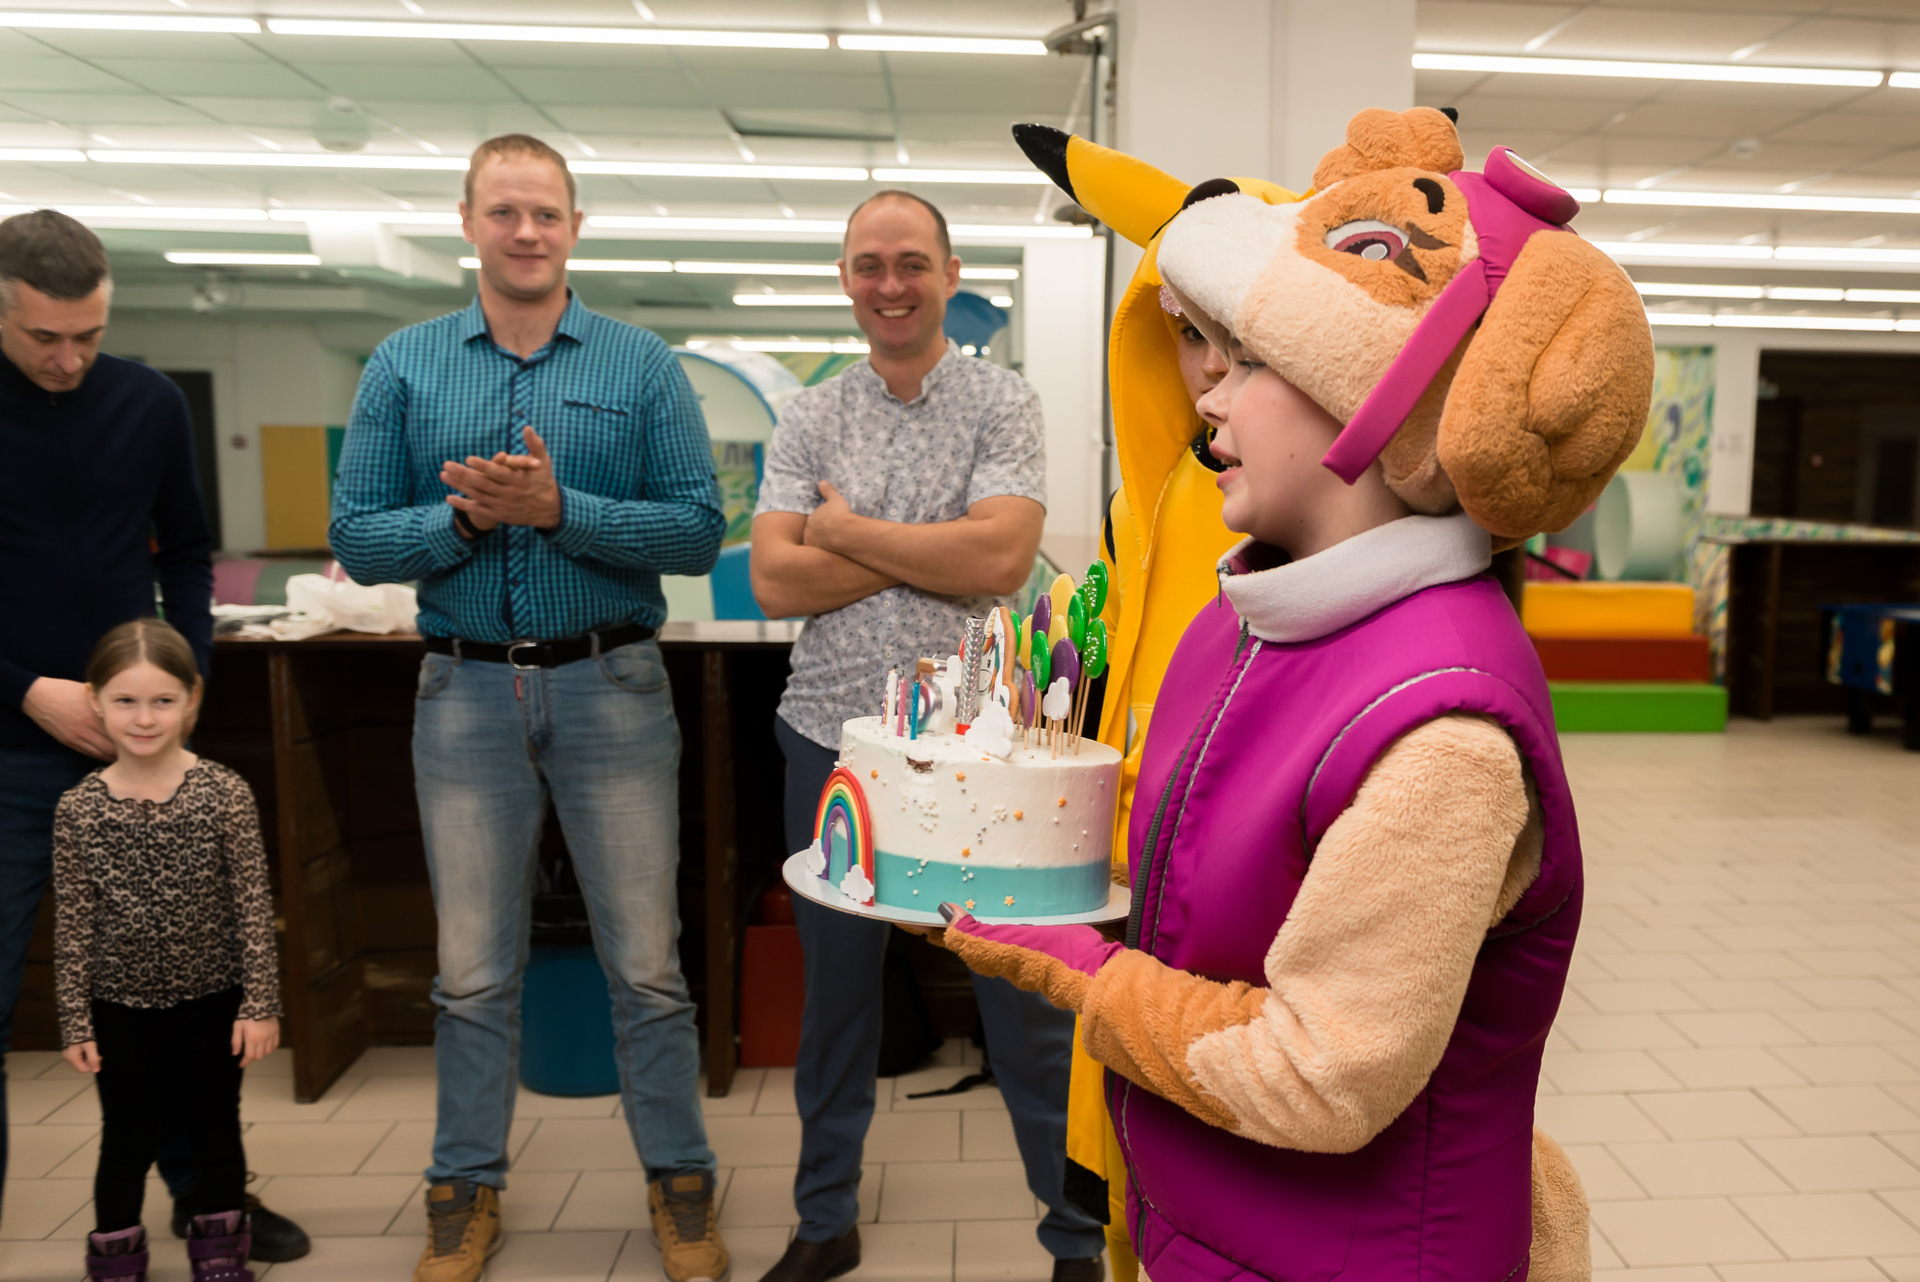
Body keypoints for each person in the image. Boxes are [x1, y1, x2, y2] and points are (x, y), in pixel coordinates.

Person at [936, 106, 1653, 1279]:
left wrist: (1086, 970)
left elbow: (1324, 1075)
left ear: (1377, 409)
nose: (1211, 396)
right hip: (1215, 1224)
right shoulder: (1240, 624)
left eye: (1255, 361)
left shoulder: (1444, 731)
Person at [329, 133, 727, 1282]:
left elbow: (699, 530)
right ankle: (464, 1190)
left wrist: (561, 510)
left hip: (612, 685)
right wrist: (462, 521)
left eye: (546, 212)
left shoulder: (642, 365)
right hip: (462, 691)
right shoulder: (404, 365)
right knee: (470, 973)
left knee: (645, 965)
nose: (525, 231)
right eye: (504, 211)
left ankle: (681, 1182)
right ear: (468, 223)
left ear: (575, 227)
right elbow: (356, 536)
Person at [749, 189, 1105, 1282]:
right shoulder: (810, 415)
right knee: (837, 1002)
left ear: (950, 275)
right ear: (846, 279)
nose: (890, 283)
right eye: (869, 264)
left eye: (911, 262)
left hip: (979, 752)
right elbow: (776, 581)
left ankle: (1076, 1238)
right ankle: (824, 1221)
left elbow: (1000, 561)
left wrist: (845, 532)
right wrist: (929, 546)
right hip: (831, 741)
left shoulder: (1003, 402)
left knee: (1024, 1003)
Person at [1010, 123, 1303, 1280]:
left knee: (1232, 1159)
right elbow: (1110, 649)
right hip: (1133, 868)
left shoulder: (1306, 507)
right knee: (1131, 1141)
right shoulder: (1157, 493)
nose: (1210, 367)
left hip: (1255, 892)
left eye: (1238, 333)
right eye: (1186, 333)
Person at [0, 208, 308, 1260]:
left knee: (174, 991)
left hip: (143, 753)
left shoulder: (148, 401)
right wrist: (28, 692)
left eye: (88, 334)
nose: (68, 358)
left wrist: (185, 684)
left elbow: (186, 551)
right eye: (45, 337)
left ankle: (205, 1196)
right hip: (10, 749)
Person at [53, 619, 279, 1282]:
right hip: (117, 1007)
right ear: (95, 701)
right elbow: (73, 923)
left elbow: (253, 907)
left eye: (162, 701)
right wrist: (75, 1019)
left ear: (192, 699)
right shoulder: (78, 809)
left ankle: (220, 1257)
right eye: (125, 701)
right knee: (126, 1138)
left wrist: (260, 1004)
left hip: (214, 1001)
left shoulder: (224, 792)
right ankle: (117, 1262)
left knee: (216, 1131)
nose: (145, 718)